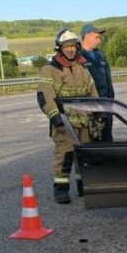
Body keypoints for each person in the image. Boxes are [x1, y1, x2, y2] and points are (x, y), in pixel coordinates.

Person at [37, 29, 98, 204]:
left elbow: (94, 94)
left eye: (73, 45)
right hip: (64, 123)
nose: (70, 49)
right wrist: (56, 119)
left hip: (85, 123)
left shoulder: (83, 67)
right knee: (64, 157)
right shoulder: (50, 69)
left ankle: (83, 187)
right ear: (59, 48)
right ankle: (61, 190)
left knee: (84, 157)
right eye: (66, 46)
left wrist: (99, 114)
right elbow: (44, 97)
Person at [80, 23, 115, 141]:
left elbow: (108, 81)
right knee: (92, 141)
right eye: (97, 37)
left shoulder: (100, 55)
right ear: (87, 36)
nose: (99, 41)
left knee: (107, 139)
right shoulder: (77, 57)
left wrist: (111, 102)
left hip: (106, 105)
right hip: (90, 107)